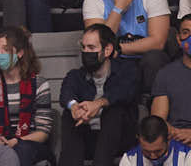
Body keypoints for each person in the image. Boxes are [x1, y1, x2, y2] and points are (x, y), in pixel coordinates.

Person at [83, 0, 172, 96]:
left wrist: (117, 48)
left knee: (154, 58)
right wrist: (118, 8)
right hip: (114, 64)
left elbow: (158, 42)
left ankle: (152, 103)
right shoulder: (94, 0)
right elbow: (98, 45)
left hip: (144, 61)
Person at [58, 24, 140, 166]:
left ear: (107, 50)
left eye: (91, 48)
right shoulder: (76, 75)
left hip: (119, 139)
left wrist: (99, 103)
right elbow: (66, 94)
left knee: (114, 110)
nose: (85, 52)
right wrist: (74, 107)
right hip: (88, 139)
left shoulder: (126, 70)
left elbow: (125, 92)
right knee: (68, 114)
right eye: (83, 47)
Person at [0, 28, 53, 166]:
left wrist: (18, 140)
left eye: (5, 49)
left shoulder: (40, 84)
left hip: (29, 143)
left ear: (20, 53)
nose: (0, 54)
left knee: (19, 151)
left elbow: (43, 133)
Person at [152, 14, 191, 146]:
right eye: (186, 33)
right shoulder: (165, 74)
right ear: (179, 39)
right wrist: (177, 134)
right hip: (176, 140)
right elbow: (158, 120)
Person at [121, 115, 191, 166]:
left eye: (158, 151)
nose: (153, 156)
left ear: (168, 140)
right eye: (146, 151)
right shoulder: (129, 159)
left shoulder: (187, 156)